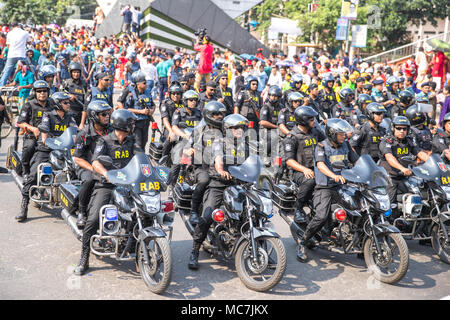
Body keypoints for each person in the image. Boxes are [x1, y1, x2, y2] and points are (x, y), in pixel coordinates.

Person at [74, 109, 141, 275]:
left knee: (142, 213)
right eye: (131, 124)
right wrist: (105, 174)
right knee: (94, 218)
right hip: (107, 184)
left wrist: (151, 170)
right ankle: (84, 257)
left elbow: (142, 158)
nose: (133, 126)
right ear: (123, 125)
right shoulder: (104, 141)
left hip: (127, 184)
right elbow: (96, 162)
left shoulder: (132, 140)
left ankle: (137, 252)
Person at [188, 114, 250, 270]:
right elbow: (218, 160)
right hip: (218, 183)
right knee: (207, 216)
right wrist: (221, 171)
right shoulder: (219, 143)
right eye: (236, 128)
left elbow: (252, 162)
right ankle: (194, 250)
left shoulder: (245, 145)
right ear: (228, 129)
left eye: (241, 128)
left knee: (250, 212)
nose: (239, 131)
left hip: (238, 184)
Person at [296, 118, 358, 262]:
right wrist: (334, 176)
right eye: (341, 134)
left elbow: (356, 160)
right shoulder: (321, 146)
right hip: (325, 187)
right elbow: (321, 165)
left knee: (358, 208)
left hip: (342, 186)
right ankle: (303, 242)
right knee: (321, 216)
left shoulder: (346, 145)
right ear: (332, 134)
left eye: (344, 134)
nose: (344, 136)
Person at [16, 92, 77, 222]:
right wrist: (46, 138)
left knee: (78, 173)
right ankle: (24, 206)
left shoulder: (70, 117)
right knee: (33, 175)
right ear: (57, 104)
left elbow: (75, 131)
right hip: (46, 149)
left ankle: (80, 209)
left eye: (68, 102)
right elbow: (44, 135)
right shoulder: (47, 115)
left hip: (64, 150)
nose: (68, 104)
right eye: (65, 102)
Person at [378, 116, 429, 221]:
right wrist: (402, 168)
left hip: (404, 177)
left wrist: (436, 164)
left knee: (417, 196)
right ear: (393, 128)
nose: (402, 131)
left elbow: (420, 153)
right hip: (389, 177)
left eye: (404, 129)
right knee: (390, 206)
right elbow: (389, 157)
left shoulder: (409, 141)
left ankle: (412, 223)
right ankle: (388, 227)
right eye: (398, 128)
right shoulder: (387, 141)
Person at [185, 101, 227, 225]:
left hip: (223, 166)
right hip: (202, 167)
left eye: (221, 114)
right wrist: (189, 150)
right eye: (216, 114)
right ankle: (193, 211)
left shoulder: (226, 129)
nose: (220, 117)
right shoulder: (199, 131)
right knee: (204, 180)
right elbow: (187, 146)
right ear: (208, 115)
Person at [283, 106, 326, 226]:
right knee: (310, 181)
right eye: (311, 119)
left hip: (318, 167)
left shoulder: (315, 132)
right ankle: (299, 209)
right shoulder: (292, 137)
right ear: (303, 120)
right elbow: (289, 161)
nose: (314, 121)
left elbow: (327, 143)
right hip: (299, 172)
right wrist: (304, 169)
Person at [73, 101, 112, 229]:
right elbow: (77, 158)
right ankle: (82, 212)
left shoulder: (111, 131)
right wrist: (93, 169)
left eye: (108, 113)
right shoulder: (84, 134)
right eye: (104, 114)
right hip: (86, 166)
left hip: (106, 167)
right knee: (89, 180)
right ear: (94, 115)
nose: (107, 116)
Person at [16, 80, 54, 177]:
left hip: (49, 137)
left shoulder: (52, 105)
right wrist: (33, 129)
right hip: (32, 136)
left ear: (48, 92)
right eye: (39, 91)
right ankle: (25, 171)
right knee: (29, 147)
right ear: (34, 92)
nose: (42, 93)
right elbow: (20, 122)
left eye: (44, 91)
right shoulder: (29, 105)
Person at [167, 90, 203, 187]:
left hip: (195, 141)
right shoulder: (178, 112)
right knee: (177, 163)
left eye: (195, 100)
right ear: (185, 101)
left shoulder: (199, 113)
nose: (193, 102)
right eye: (190, 100)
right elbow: (174, 127)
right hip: (182, 140)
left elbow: (203, 126)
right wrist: (183, 135)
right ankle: (171, 185)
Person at [117, 70, 155, 150]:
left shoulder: (147, 92)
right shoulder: (130, 91)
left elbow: (153, 104)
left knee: (144, 142)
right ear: (138, 84)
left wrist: (152, 111)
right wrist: (140, 112)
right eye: (144, 83)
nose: (146, 84)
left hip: (146, 122)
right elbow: (124, 106)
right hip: (135, 123)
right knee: (138, 144)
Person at [0, 22, 31, 87]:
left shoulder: (9, 33)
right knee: (25, 70)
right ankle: (25, 85)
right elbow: (29, 42)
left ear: (12, 27)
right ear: (18, 26)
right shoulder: (25, 32)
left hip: (11, 55)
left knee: (6, 72)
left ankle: (1, 87)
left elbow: (8, 45)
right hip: (21, 55)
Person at [62, 61, 88, 127]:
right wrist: (68, 96)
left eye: (77, 72)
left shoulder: (84, 84)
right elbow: (60, 95)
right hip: (69, 112)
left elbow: (87, 100)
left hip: (81, 112)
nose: (76, 74)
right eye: (74, 72)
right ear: (71, 73)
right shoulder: (67, 83)